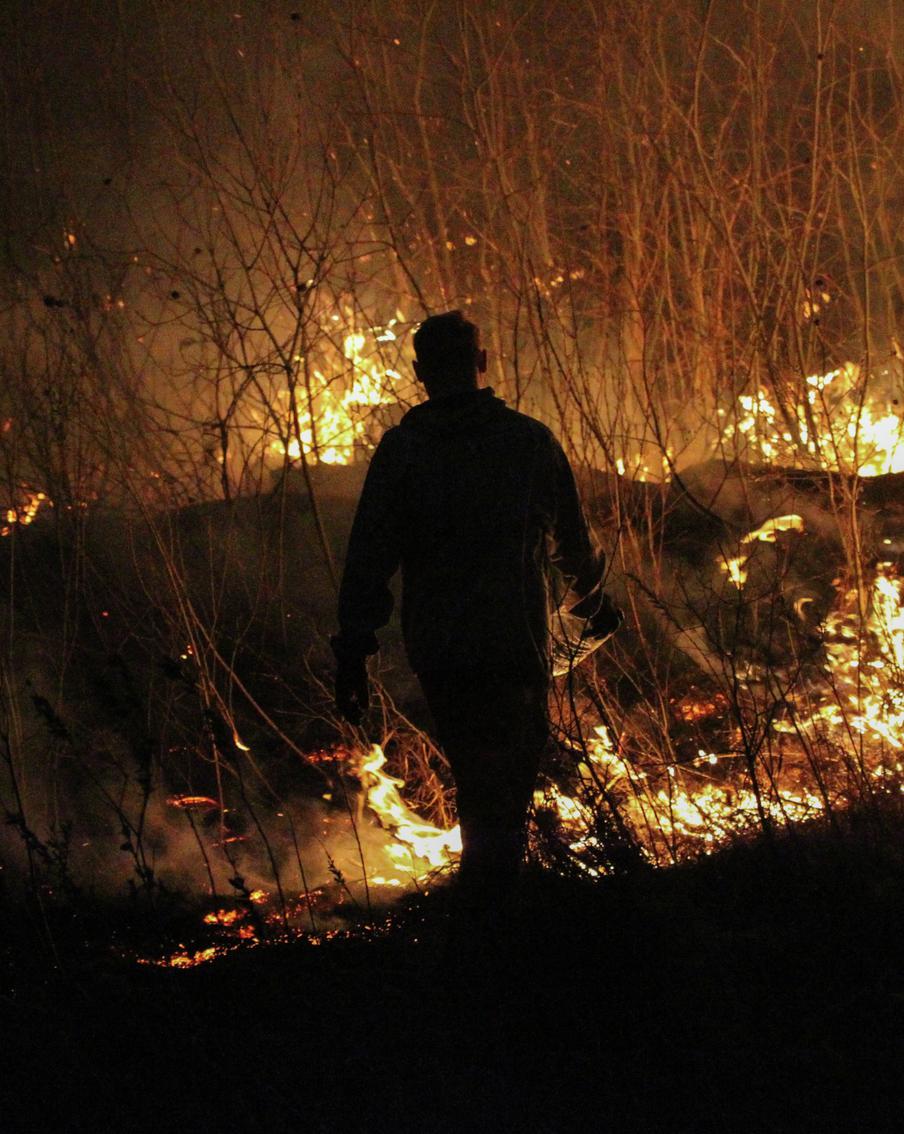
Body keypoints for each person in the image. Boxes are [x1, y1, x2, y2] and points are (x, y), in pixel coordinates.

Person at [331, 310, 619, 909]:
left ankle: (486, 920)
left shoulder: (403, 451)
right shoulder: (526, 440)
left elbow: (368, 559)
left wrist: (353, 652)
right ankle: (493, 922)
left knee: (477, 778)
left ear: (419, 372)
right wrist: (593, 603)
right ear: (481, 363)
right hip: (515, 643)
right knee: (506, 788)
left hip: (441, 650)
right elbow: (571, 540)